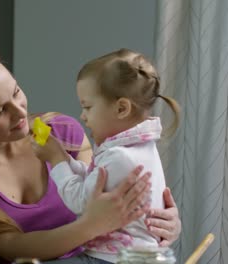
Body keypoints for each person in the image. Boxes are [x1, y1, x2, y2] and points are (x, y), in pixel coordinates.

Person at [0, 48, 181, 264]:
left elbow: (104, 193)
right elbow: (16, 248)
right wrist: (91, 225)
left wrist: (157, 222)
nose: (19, 112)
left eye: (16, 92)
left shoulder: (62, 132)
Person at [32, 48, 180, 263]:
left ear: (121, 108)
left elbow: (80, 201)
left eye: (88, 107)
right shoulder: (138, 148)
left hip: (114, 258)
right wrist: (66, 159)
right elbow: (95, 179)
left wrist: (56, 160)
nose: (83, 116)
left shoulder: (121, 156)